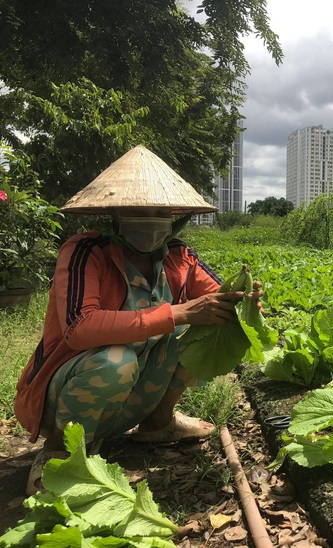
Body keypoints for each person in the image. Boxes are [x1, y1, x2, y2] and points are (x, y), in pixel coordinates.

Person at [14, 145, 263, 495]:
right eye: (136, 209)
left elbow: (217, 298)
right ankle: (61, 450)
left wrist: (245, 301)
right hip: (76, 388)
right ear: (115, 213)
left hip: (133, 394)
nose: (148, 216)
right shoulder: (85, 252)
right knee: (116, 359)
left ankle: (158, 422)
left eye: (158, 210)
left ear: (174, 216)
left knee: (211, 321)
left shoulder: (179, 256)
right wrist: (176, 312)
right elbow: (78, 328)